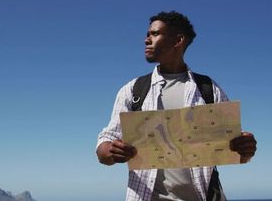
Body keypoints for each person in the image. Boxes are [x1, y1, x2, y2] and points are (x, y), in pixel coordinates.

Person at [96, 11, 257, 201]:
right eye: (148, 34)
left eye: (155, 34)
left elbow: (235, 151)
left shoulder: (208, 88)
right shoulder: (133, 90)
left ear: (178, 40)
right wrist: (112, 152)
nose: (146, 40)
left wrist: (246, 148)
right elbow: (104, 145)